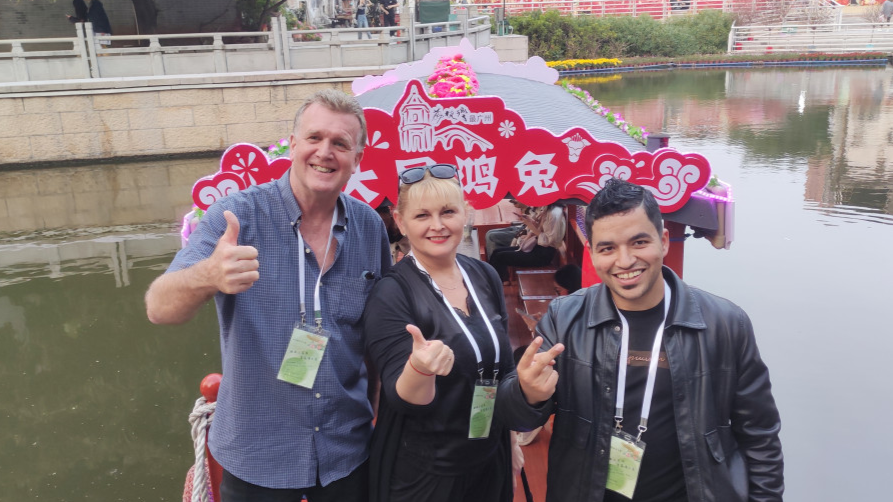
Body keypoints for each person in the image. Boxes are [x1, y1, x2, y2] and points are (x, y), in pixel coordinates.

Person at [145, 89, 392, 502]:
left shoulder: (369, 227)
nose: (325, 152)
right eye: (314, 138)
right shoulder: (236, 217)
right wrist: (208, 274)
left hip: (346, 455)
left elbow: (376, 343)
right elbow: (158, 307)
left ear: (357, 158)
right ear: (293, 144)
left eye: (340, 143)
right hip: (257, 457)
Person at [499, 178, 784, 502]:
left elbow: (760, 437)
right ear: (591, 253)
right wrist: (528, 394)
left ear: (663, 241)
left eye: (638, 243)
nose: (624, 261)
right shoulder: (565, 319)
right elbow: (516, 418)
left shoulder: (725, 324)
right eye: (608, 248)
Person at [364, 164, 515, 502]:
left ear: (466, 212)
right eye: (422, 216)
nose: (437, 225)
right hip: (427, 475)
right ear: (401, 221)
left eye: (448, 211)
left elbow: (501, 368)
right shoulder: (391, 294)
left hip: (490, 457)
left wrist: (513, 444)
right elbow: (403, 398)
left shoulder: (485, 276)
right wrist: (419, 368)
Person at [488, 204, 566, 283]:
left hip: (542, 255)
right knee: (496, 252)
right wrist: (530, 221)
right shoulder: (549, 209)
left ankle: (495, 285)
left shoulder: (553, 214)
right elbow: (542, 229)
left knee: (499, 257)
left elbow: (547, 241)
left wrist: (530, 225)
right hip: (535, 247)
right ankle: (495, 282)